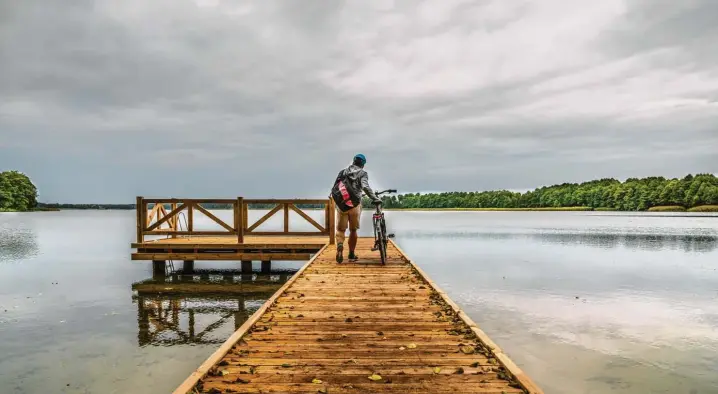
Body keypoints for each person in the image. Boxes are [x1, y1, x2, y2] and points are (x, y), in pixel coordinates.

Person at [330, 153, 381, 263]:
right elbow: (365, 187)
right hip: (355, 205)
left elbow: (335, 187)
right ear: (363, 164)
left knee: (340, 229)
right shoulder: (362, 173)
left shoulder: (343, 172)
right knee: (353, 230)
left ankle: (339, 246)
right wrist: (375, 198)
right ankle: (351, 254)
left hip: (342, 204)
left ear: (353, 161)